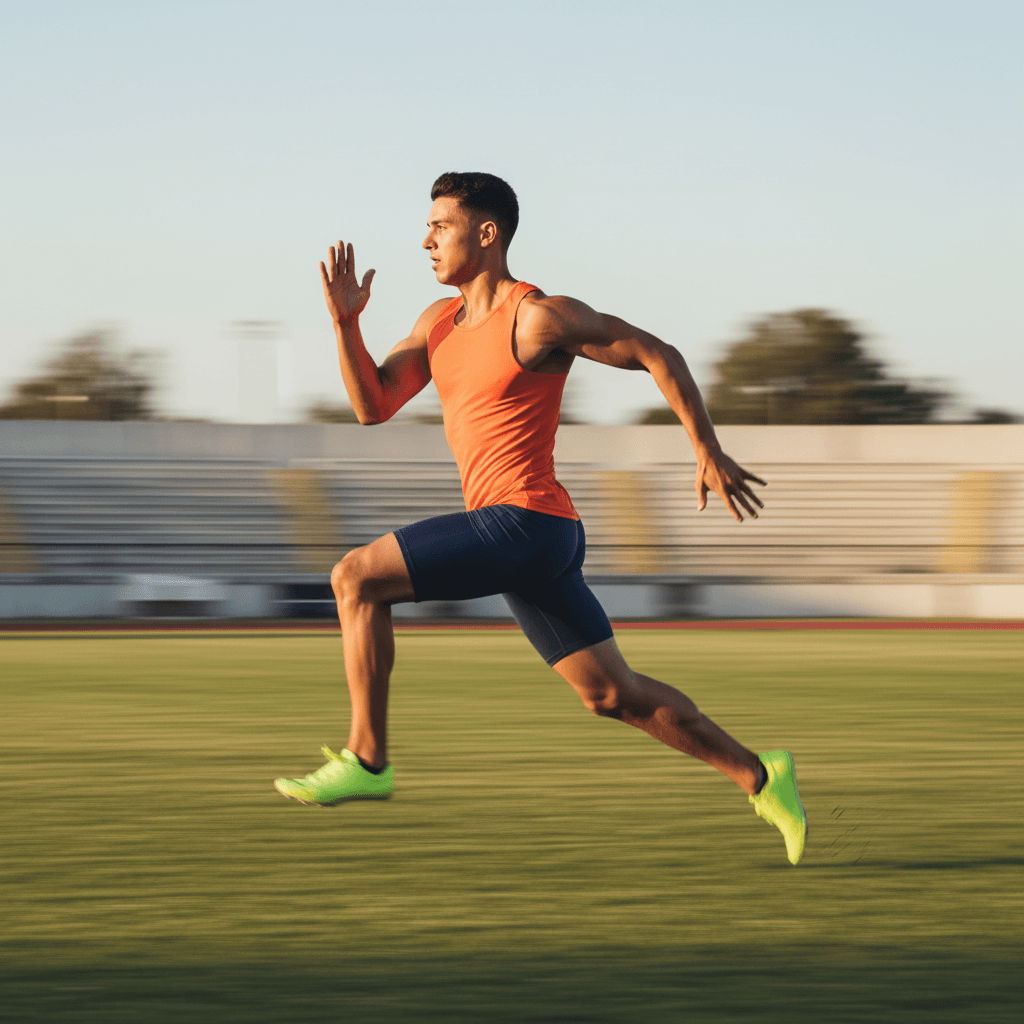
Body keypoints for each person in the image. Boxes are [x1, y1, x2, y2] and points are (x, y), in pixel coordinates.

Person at [274, 172, 807, 865]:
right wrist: (346, 323)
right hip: (537, 538)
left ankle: (368, 760)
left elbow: (656, 353)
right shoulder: (437, 324)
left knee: (354, 578)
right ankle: (763, 777)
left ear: (487, 234)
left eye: (442, 225)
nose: (426, 238)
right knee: (611, 694)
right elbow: (373, 404)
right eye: (428, 226)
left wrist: (706, 448)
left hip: (522, 521)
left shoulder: (537, 317)